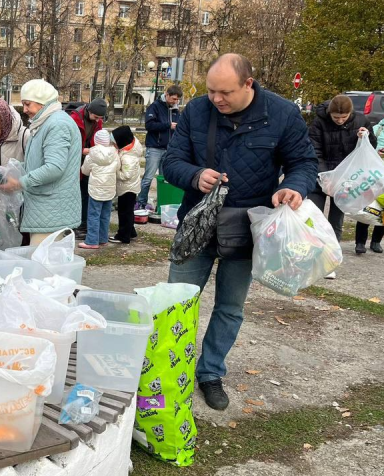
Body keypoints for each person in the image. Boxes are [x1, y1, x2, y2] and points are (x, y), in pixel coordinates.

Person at [163, 54, 318, 411]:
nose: (217, 99)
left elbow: (303, 163)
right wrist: (193, 175)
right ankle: (170, 370)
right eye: (211, 91)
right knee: (175, 304)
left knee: (230, 307)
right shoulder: (197, 111)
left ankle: (210, 374)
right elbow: (172, 161)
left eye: (225, 92)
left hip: (248, 228)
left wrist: (293, 186)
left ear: (249, 84)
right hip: (197, 223)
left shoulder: (282, 114)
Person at [0, 79, 82, 245]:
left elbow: (55, 167)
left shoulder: (57, 124)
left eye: (28, 104)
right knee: (46, 265)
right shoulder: (45, 123)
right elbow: (37, 162)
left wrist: (20, 183)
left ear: (42, 102)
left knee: (44, 266)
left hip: (51, 209)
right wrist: (10, 170)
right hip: (46, 209)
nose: (25, 109)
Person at [308, 95, 377, 263]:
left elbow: (371, 147)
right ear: (329, 113)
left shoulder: (361, 120)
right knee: (313, 214)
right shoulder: (318, 123)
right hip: (322, 175)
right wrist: (326, 177)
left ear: (350, 113)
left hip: (346, 178)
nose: (339, 121)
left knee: (336, 219)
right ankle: (310, 252)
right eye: (336, 117)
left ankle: (330, 257)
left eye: (343, 117)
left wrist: (366, 137)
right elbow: (314, 151)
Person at [137, 85, 182, 210]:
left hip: (169, 149)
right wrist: (168, 125)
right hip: (154, 148)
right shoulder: (155, 106)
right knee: (148, 178)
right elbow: (149, 125)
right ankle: (141, 203)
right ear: (166, 94)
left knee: (165, 179)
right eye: (173, 99)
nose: (175, 102)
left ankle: (162, 204)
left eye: (177, 100)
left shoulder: (175, 110)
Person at [69, 98, 106, 240]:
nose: (97, 121)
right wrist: (80, 151)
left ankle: (82, 224)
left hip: (88, 159)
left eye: (100, 118)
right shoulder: (74, 119)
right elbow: (69, 142)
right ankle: (75, 223)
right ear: (89, 111)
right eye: (96, 117)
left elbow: (98, 138)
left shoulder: (98, 121)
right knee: (75, 193)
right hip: (75, 159)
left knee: (86, 193)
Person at [78, 129, 119, 249]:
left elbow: (84, 170)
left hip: (95, 190)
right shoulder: (114, 153)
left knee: (93, 215)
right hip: (110, 189)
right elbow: (118, 167)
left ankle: (91, 240)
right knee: (105, 215)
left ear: (96, 141)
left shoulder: (91, 154)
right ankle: (103, 238)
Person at [354, 117, 384, 254]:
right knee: (366, 208)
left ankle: (376, 241)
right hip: (373, 174)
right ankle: (360, 242)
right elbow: (368, 146)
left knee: (383, 210)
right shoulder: (377, 128)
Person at [109, 125, 143, 244]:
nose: (113, 145)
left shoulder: (128, 157)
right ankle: (131, 231)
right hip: (130, 187)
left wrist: (114, 171)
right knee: (128, 212)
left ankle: (123, 236)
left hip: (127, 189)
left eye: (114, 143)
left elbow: (125, 175)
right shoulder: (128, 150)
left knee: (124, 213)